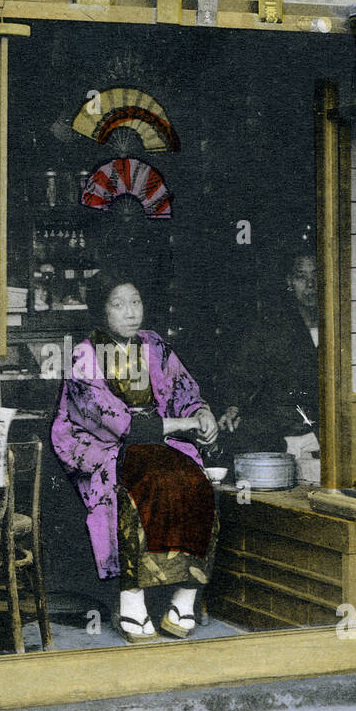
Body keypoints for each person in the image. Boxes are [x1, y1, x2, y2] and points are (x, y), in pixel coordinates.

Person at [51, 272, 220, 642]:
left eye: (136, 302)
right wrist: (183, 422)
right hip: (106, 448)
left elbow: (185, 389)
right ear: (101, 310)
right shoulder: (84, 355)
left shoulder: (155, 345)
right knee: (145, 486)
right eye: (118, 304)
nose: (130, 312)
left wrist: (202, 413)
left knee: (196, 483)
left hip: (162, 442)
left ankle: (184, 597)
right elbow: (117, 423)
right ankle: (132, 598)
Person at [217, 252, 320, 455]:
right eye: (301, 276)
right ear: (290, 281)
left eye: (316, 275)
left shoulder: (343, 325)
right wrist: (233, 407)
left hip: (323, 432)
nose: (311, 284)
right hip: (279, 433)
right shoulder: (270, 326)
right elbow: (241, 372)